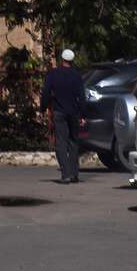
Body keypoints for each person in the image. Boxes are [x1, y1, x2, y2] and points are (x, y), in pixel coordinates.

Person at [41, 48, 85, 184]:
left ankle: (65, 174)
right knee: (73, 142)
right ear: (72, 61)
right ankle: (74, 174)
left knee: (61, 142)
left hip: (59, 112)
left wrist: (42, 108)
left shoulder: (53, 74)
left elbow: (46, 92)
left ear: (62, 59)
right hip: (74, 112)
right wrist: (82, 115)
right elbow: (82, 97)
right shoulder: (77, 76)